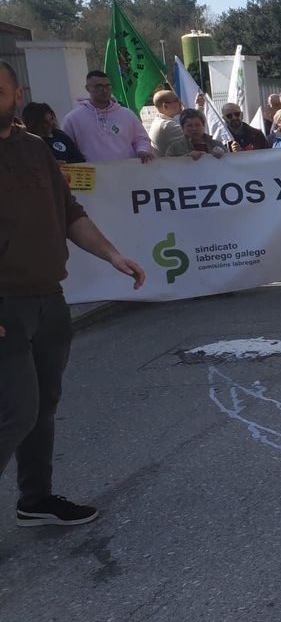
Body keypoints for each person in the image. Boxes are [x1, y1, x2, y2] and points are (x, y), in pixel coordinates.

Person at [0, 60, 147, 528]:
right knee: (17, 411)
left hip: (47, 299)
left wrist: (112, 255)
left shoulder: (37, 150)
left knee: (43, 406)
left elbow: (70, 214)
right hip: (5, 306)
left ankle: (35, 499)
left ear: (16, 92)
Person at [61, 71, 155, 163]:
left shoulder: (127, 114)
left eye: (107, 86)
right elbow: (68, 149)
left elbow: (141, 139)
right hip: (95, 175)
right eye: (99, 86)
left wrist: (142, 150)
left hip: (128, 172)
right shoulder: (73, 119)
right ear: (88, 88)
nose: (104, 90)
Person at [20, 103, 85, 163]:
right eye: (45, 122)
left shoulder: (61, 137)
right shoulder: (23, 143)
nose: (51, 124)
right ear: (34, 123)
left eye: (51, 119)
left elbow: (79, 161)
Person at [162, 108, 227, 159]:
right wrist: (185, 159)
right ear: (182, 127)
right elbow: (168, 168)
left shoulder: (217, 145)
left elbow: (230, 165)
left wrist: (223, 157)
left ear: (203, 125)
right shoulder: (174, 148)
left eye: (197, 125)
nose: (194, 129)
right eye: (189, 125)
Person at [147, 90, 187, 157]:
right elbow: (195, 139)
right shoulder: (167, 125)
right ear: (165, 106)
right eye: (176, 100)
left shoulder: (160, 121)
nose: (180, 102)